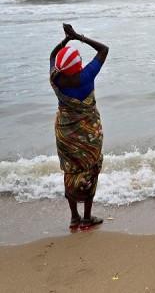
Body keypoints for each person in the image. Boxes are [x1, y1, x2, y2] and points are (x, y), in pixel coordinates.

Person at [49, 23, 109, 230]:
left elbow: (53, 55)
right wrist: (77, 37)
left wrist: (65, 40)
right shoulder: (85, 77)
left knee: (70, 171)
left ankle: (74, 217)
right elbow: (104, 50)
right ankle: (87, 218)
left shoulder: (55, 78)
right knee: (91, 170)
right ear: (78, 68)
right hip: (89, 134)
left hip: (65, 133)